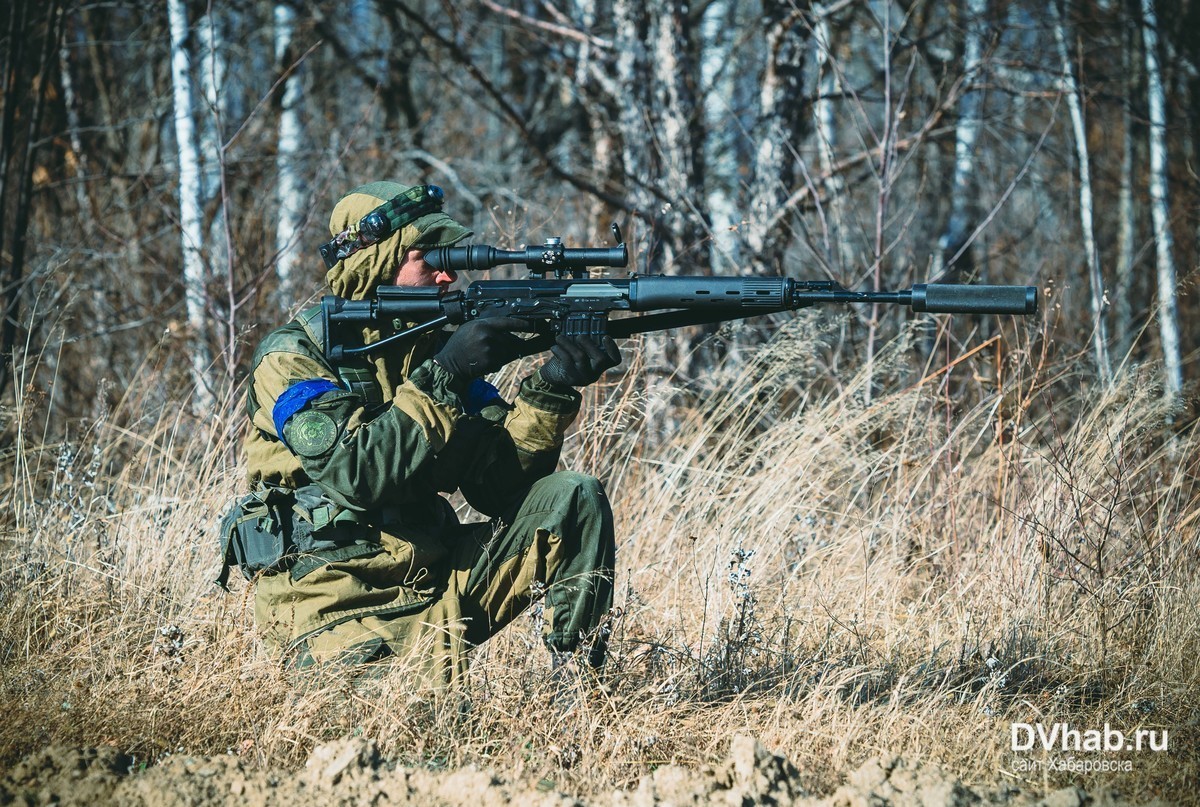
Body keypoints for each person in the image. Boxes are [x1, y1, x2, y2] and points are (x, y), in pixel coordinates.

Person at [221, 181, 622, 683]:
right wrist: (445, 375)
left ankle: (581, 691)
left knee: (572, 498)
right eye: (429, 259)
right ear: (375, 264)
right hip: (335, 600)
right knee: (418, 735)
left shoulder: (429, 349)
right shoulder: (294, 358)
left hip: (432, 580)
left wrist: (552, 387)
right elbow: (356, 473)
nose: (448, 274)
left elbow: (498, 486)